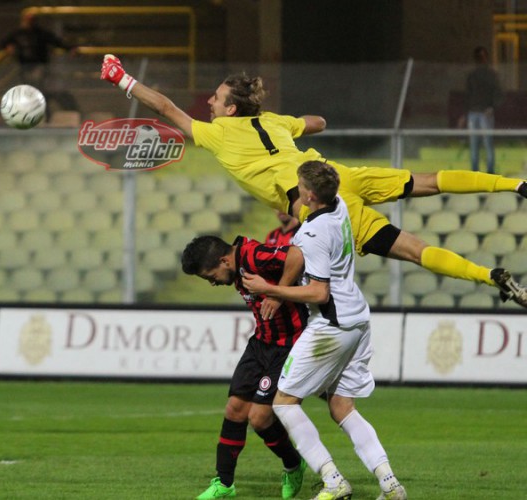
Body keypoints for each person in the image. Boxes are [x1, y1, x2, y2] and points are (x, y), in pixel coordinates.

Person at [99, 55, 527, 308]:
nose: (209, 102)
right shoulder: (273, 121)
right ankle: (515, 185)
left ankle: (489, 276)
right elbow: (318, 121)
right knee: (430, 180)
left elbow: (165, 107)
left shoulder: (216, 133)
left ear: (230, 111)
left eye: (215, 98)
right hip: (338, 173)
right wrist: (297, 127)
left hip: (322, 203)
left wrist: (123, 79)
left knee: (413, 250)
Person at [242, 161, 407, 500]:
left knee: (284, 404)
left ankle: (333, 480)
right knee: (342, 407)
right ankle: (390, 483)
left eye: (300, 187)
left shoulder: (312, 234)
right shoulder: (340, 205)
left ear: (310, 195)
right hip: (358, 318)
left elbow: (319, 293)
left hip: (332, 324)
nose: (296, 191)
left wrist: (269, 289)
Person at [182, 234, 308, 499]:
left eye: (210, 275)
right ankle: (224, 484)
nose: (212, 282)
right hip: (261, 343)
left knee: (260, 418)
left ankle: (293, 464)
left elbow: (296, 256)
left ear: (224, 260)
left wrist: (276, 293)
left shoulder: (252, 255)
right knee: (235, 409)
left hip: (289, 345)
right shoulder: (237, 265)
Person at [458, 46, 503, 174]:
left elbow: (498, 94)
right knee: (474, 145)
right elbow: (468, 96)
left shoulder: (491, 75)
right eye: (479, 57)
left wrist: (491, 108)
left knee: (487, 143)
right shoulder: (473, 76)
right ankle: (475, 173)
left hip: (484, 113)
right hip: (474, 113)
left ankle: (490, 172)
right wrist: (465, 115)